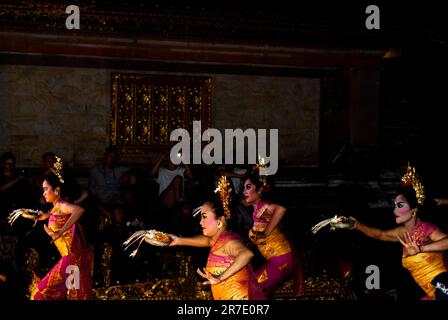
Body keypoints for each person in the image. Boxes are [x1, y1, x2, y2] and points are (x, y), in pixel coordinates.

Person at [349, 164, 448, 300]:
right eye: (395, 206)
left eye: (400, 205)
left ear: (413, 210)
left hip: (443, 284)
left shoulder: (426, 228)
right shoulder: (402, 233)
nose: (395, 211)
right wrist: (357, 225)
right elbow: (380, 234)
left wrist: (421, 248)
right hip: (432, 292)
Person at [168, 177, 266, 300]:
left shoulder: (229, 240)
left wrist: (219, 278)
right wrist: (179, 240)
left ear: (219, 221)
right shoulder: (219, 240)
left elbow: (246, 254)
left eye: (204, 217)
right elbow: (207, 241)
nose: (200, 222)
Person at [19, 156, 93, 299]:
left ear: (57, 190)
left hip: (72, 260)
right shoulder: (54, 208)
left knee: (40, 294)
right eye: (43, 190)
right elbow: (51, 215)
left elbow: (79, 210)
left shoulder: (63, 205)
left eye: (46, 189)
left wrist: (60, 231)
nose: (44, 193)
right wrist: (39, 216)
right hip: (70, 259)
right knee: (71, 295)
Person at [242, 174, 304, 296]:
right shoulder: (256, 210)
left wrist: (265, 232)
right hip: (277, 260)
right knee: (251, 286)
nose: (244, 191)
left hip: (281, 259)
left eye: (248, 187)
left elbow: (281, 209)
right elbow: (243, 203)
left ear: (259, 190)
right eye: (244, 188)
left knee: (249, 289)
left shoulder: (262, 207)